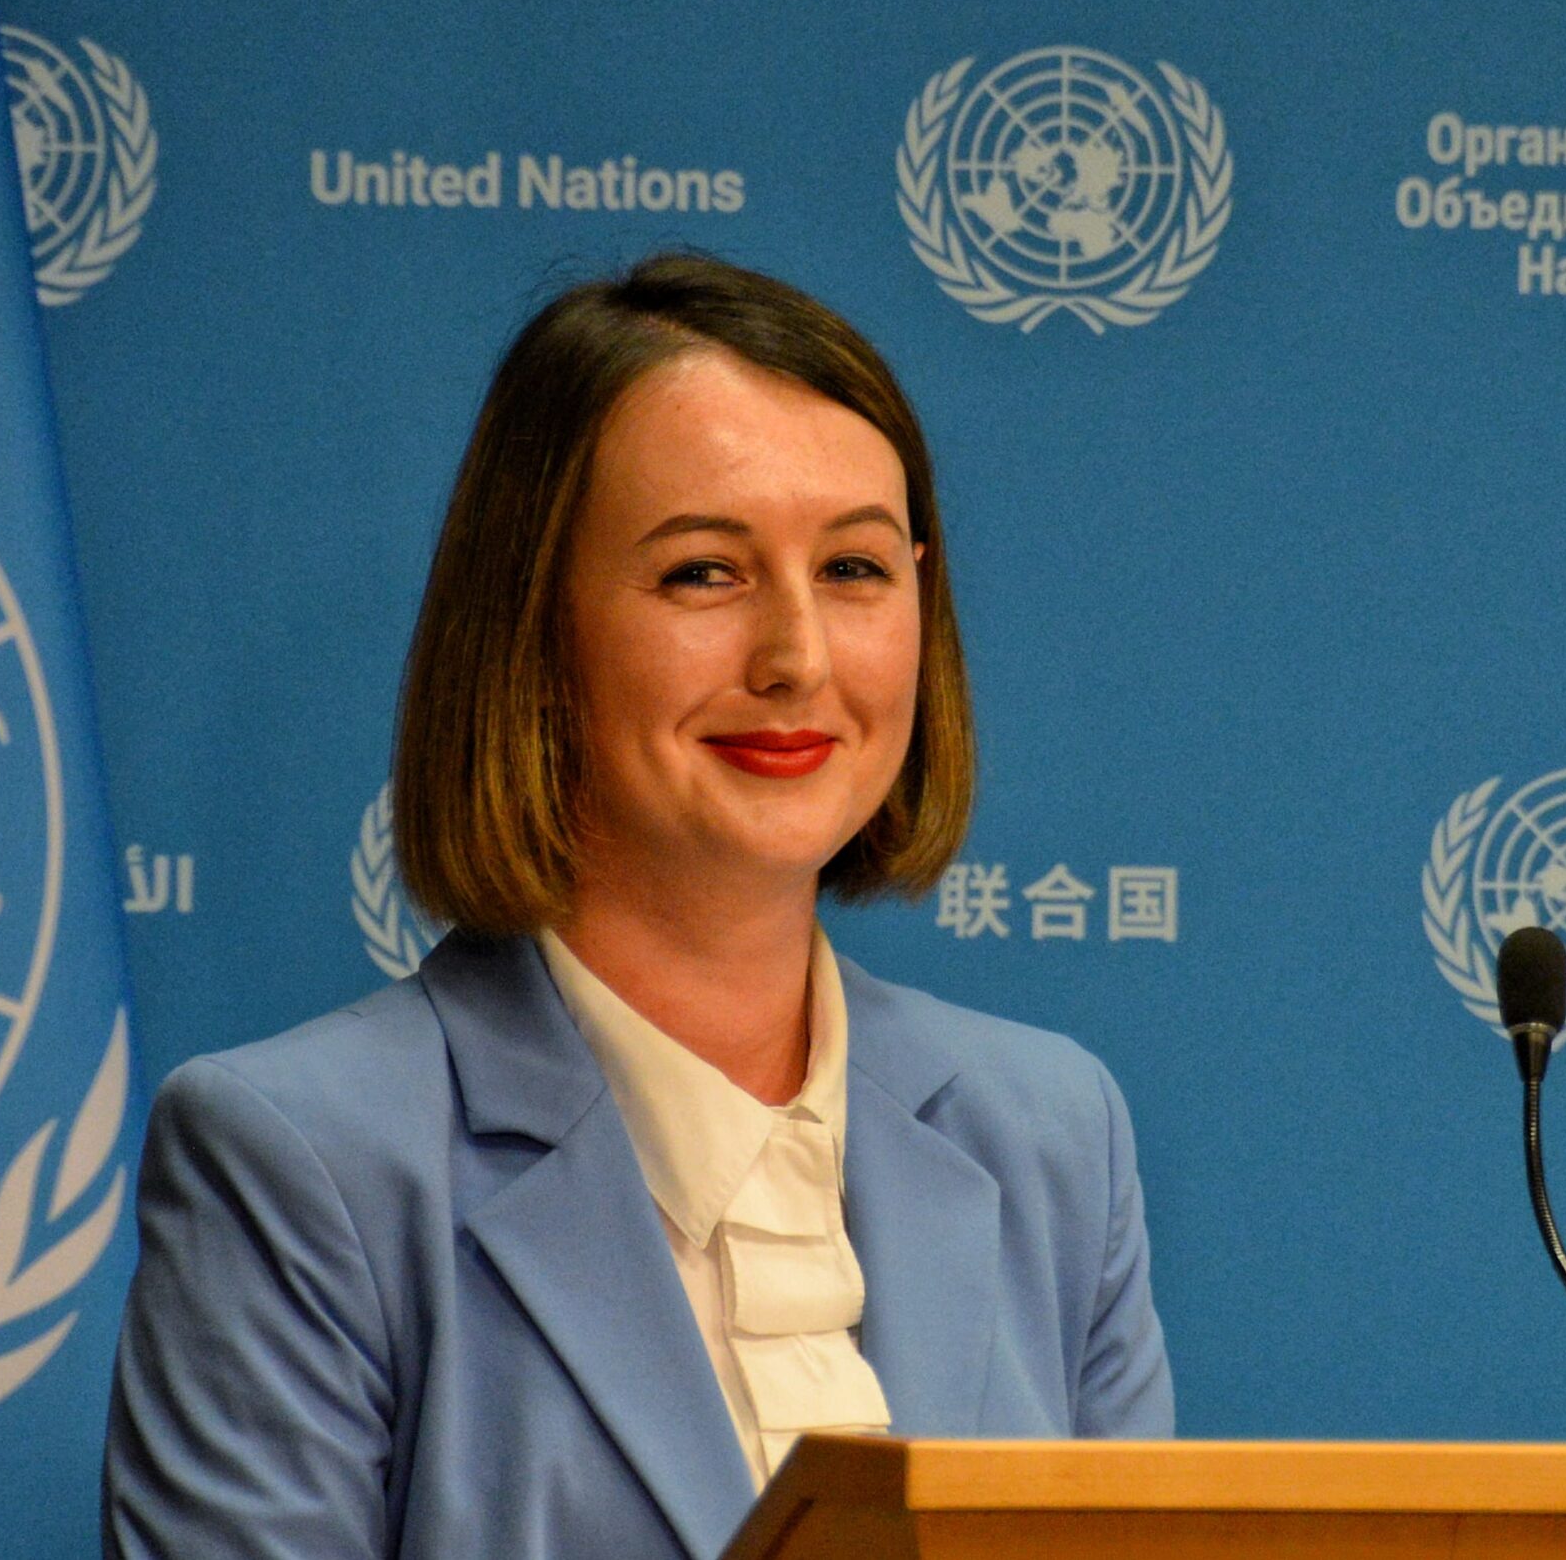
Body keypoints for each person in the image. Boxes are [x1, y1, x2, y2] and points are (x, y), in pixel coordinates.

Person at [103, 253, 1173, 1560]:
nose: (796, 657)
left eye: (853, 569)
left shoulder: (1051, 1131)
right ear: (535, 629)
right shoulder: (303, 1161)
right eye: (703, 575)